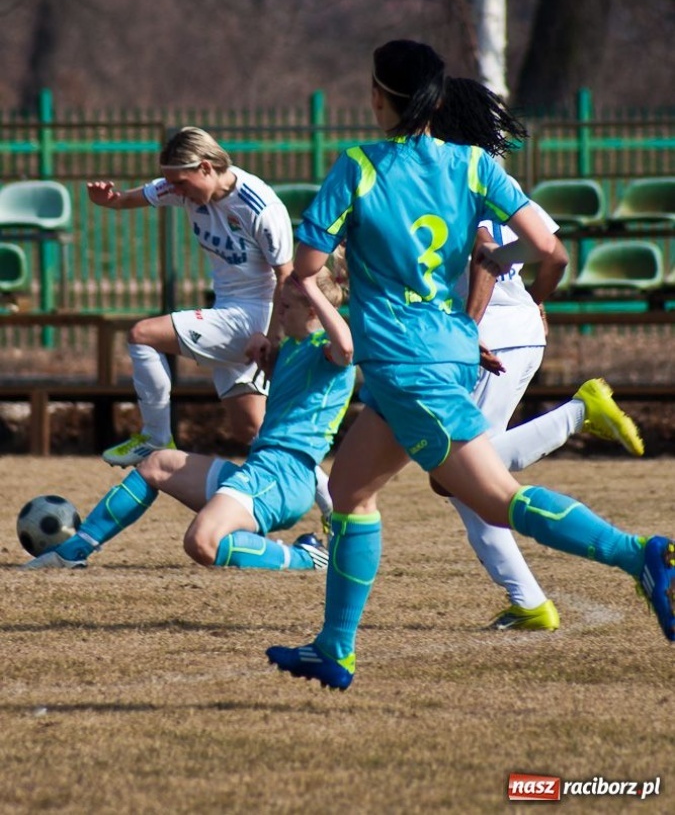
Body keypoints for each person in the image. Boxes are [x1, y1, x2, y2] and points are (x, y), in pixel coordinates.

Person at [263, 38, 675, 691]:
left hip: (404, 365)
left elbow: (307, 268)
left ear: (379, 97)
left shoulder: (359, 166)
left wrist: (327, 278)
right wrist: (534, 301)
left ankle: (641, 555)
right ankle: (332, 648)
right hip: (448, 355)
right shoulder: (473, 167)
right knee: (349, 492)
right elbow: (544, 245)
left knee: (492, 498)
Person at [22, 268, 355, 573]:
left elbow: (346, 349)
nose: (277, 315)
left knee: (201, 543)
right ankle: (72, 552)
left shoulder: (325, 347)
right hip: (260, 470)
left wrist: (310, 286)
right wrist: (268, 360)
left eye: (285, 308)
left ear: (313, 310)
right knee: (157, 465)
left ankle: (305, 558)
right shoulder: (296, 348)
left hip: (281, 480)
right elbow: (297, 391)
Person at [434, 195, 644, 632]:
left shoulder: (455, 177)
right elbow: (557, 255)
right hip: (523, 331)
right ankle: (528, 603)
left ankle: (580, 411)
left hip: (489, 340)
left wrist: (467, 329)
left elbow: (483, 251)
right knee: (464, 485)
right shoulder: (505, 185)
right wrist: (534, 299)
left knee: (457, 473)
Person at [87, 127, 294, 466]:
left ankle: (155, 437)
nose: (175, 191)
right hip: (229, 313)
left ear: (207, 167)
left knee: (142, 335)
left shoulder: (260, 206)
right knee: (256, 433)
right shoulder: (182, 188)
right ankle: (334, 506)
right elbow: (126, 199)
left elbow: (285, 277)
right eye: (170, 183)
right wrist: (110, 201)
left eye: (181, 182)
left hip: (255, 317)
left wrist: (270, 339)